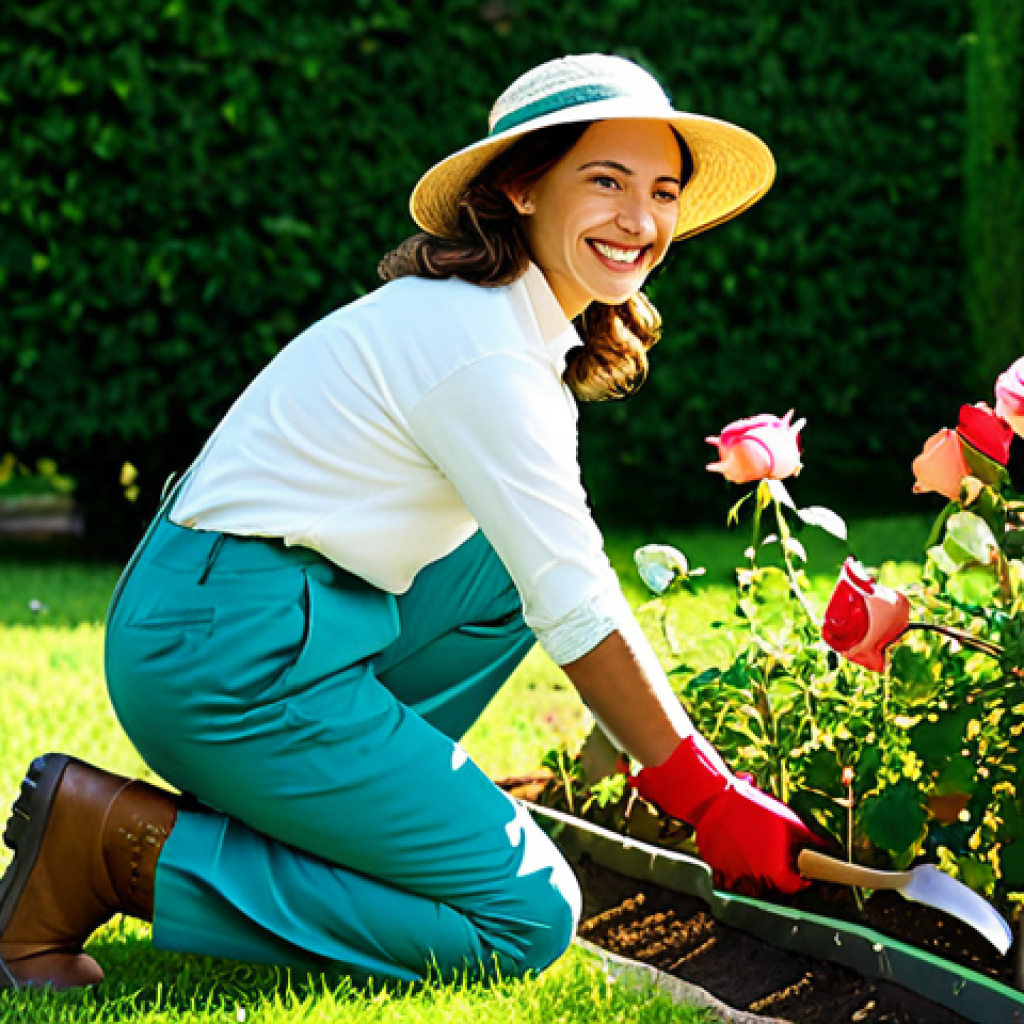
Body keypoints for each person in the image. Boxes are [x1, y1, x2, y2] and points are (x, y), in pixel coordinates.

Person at [0, 53, 819, 993]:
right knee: (524, 917)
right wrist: (704, 796)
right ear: (519, 186)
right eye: (605, 181)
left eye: (663, 191)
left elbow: (544, 580)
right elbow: (580, 605)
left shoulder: (497, 327)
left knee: (500, 577)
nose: (640, 220)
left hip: (242, 611)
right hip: (220, 653)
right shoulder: (482, 354)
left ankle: (325, 828)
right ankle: (111, 848)